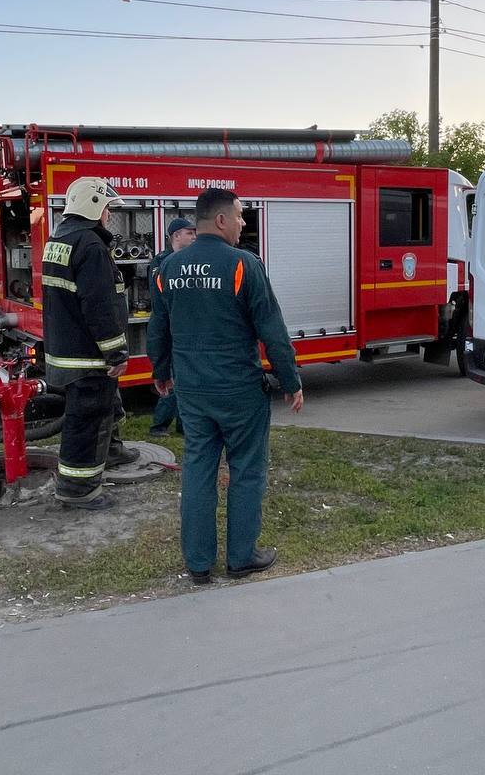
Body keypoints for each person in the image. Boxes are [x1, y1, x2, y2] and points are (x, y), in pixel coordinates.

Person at [147, 188, 303, 584]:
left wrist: (161, 370)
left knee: (198, 470)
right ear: (220, 221)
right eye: (238, 215)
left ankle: (198, 564)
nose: (243, 222)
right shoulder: (243, 265)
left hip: (193, 391)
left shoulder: (167, 269)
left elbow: (158, 328)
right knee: (246, 471)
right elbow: (272, 328)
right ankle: (241, 557)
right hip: (239, 391)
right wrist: (290, 379)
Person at [41, 176, 131, 510]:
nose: (108, 214)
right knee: (86, 423)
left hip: (66, 352)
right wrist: (116, 352)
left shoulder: (60, 238)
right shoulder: (91, 246)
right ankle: (78, 491)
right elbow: (99, 306)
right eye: (107, 207)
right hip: (88, 357)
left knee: (94, 416)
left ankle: (111, 452)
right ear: (93, 205)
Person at [147, 217, 196, 438]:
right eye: (189, 233)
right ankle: (159, 426)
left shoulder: (185, 259)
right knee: (174, 381)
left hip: (181, 329)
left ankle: (182, 426)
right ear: (176, 236)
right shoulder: (162, 262)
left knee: (182, 379)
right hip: (169, 330)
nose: (194, 236)